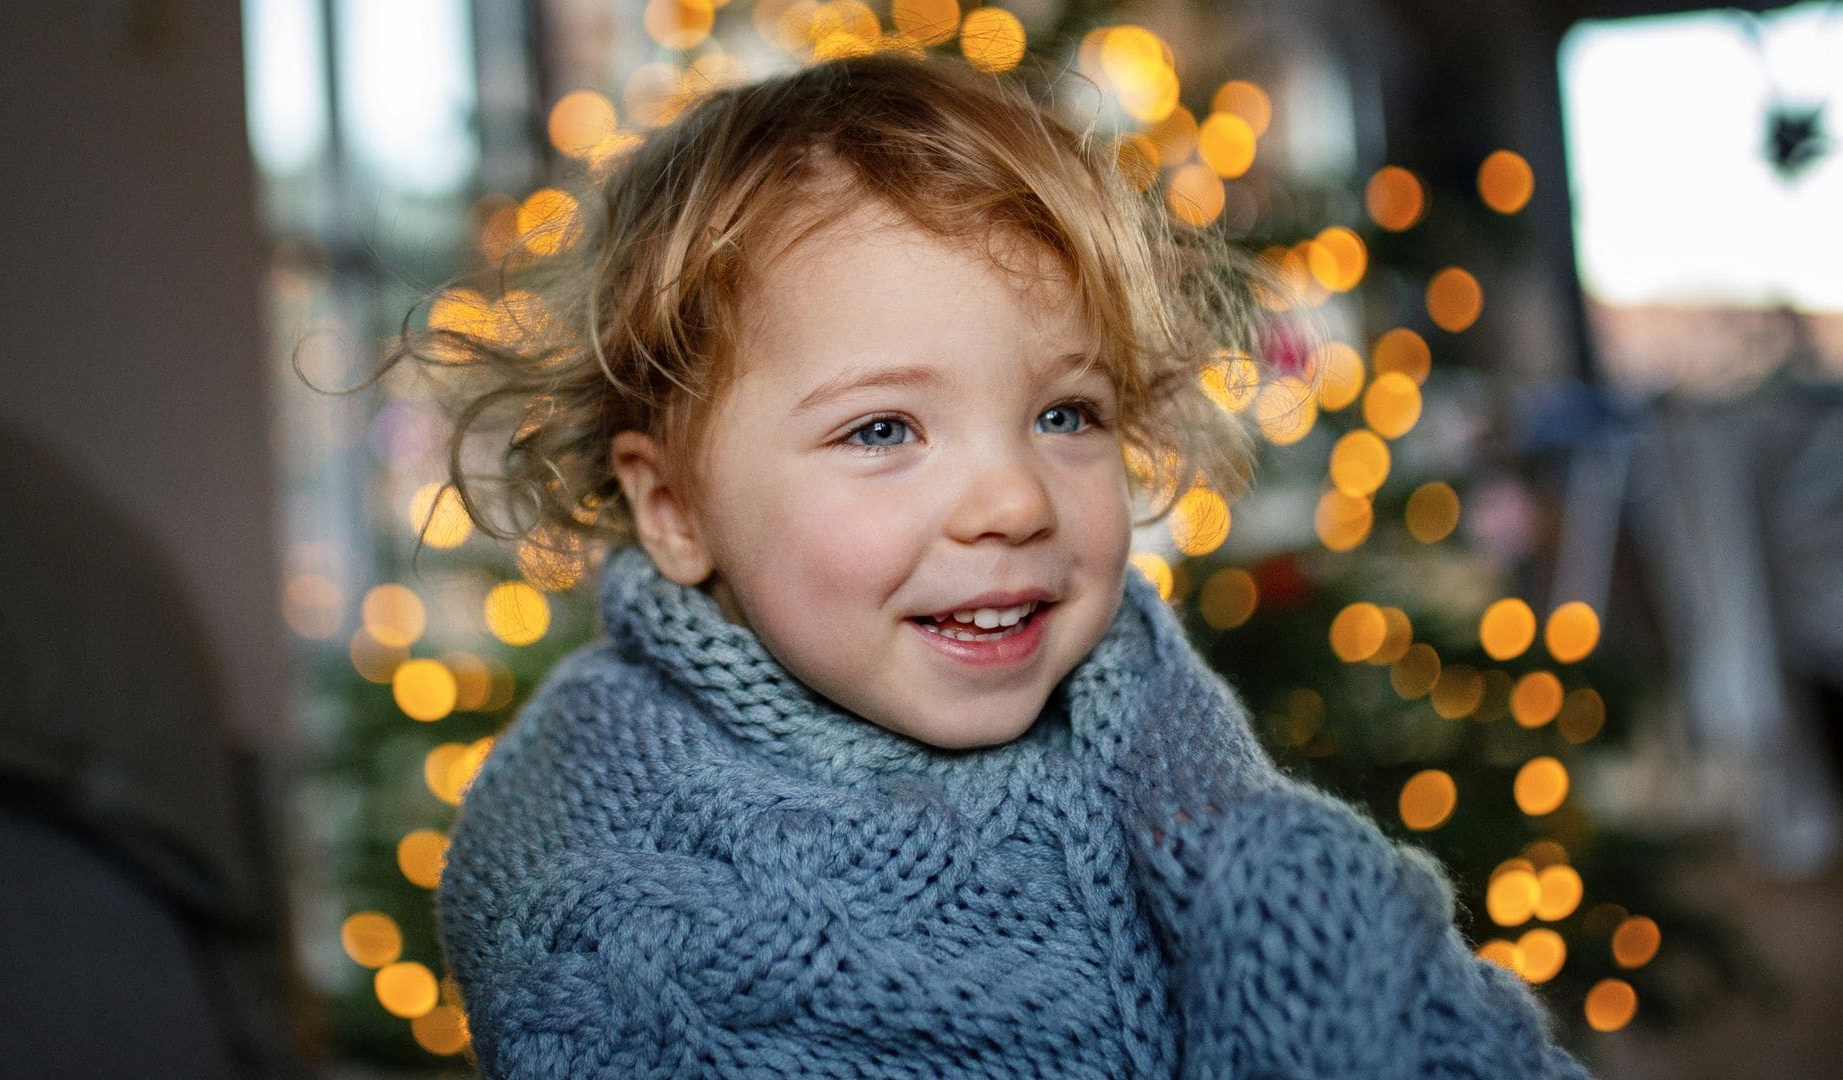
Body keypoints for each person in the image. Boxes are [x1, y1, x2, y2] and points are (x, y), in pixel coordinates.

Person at [425, 53, 1591, 1078]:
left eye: (1066, 415)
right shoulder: (591, 865)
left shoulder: (1142, 700)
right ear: (675, 509)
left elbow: (1398, 989)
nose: (1014, 501)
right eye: (883, 430)